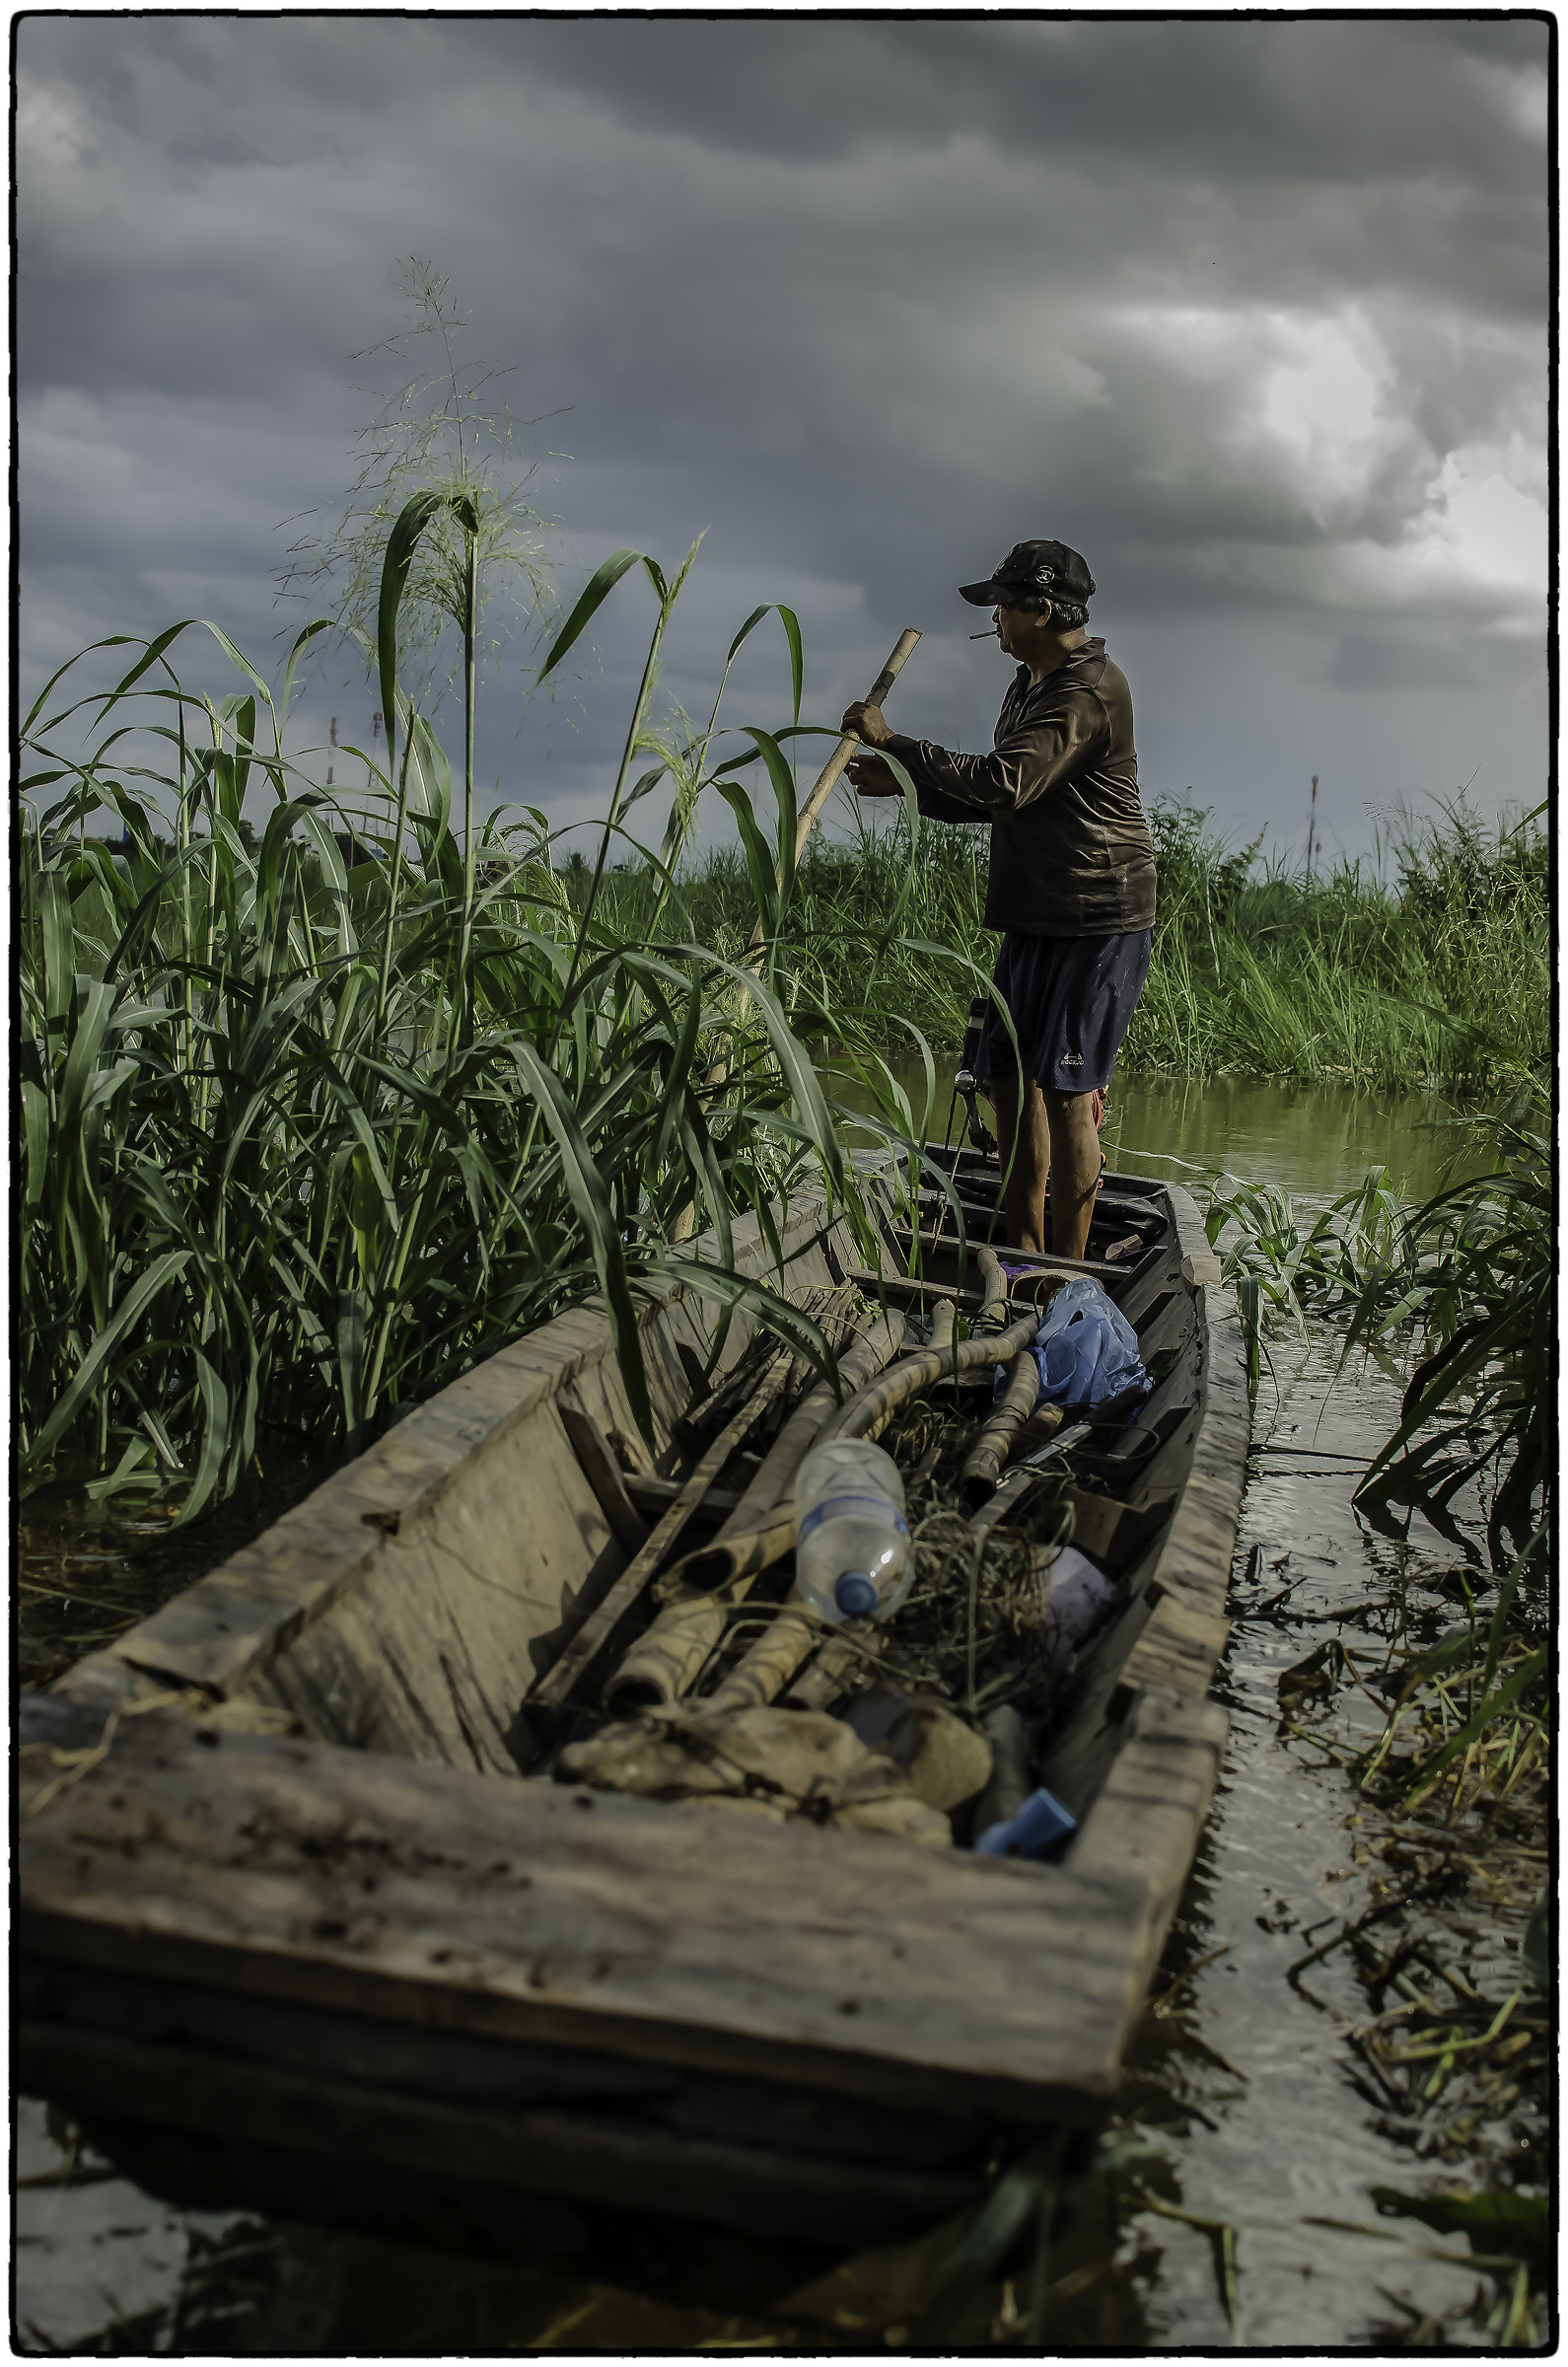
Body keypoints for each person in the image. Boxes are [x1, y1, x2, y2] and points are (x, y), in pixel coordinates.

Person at [843, 538, 1156, 1261]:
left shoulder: (1088, 690)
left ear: (1041, 611)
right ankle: (1021, 1250)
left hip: (1098, 915)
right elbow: (1006, 803)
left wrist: (895, 741)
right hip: (1035, 913)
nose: (994, 624)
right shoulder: (1029, 687)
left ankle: (1067, 1276)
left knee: (1070, 1095)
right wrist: (912, 783)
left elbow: (1005, 782)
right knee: (1009, 1082)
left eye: (1001, 609)